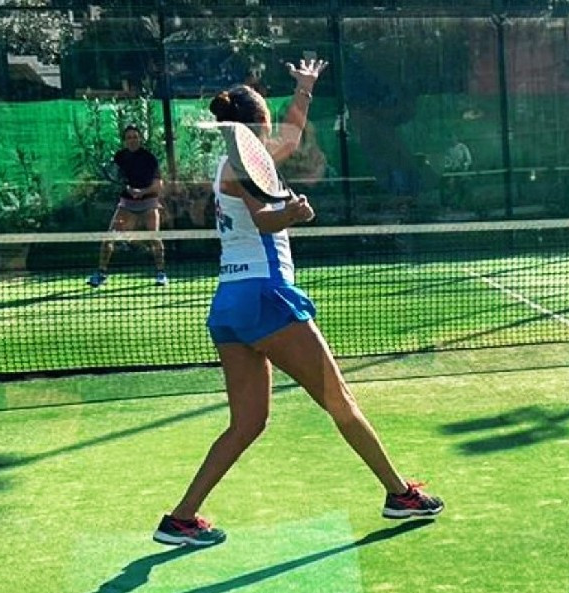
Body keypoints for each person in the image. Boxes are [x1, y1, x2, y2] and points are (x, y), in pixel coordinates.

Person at [152, 59, 444, 547]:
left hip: (230, 304)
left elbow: (289, 140)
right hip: (266, 297)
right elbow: (265, 220)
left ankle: (180, 518)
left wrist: (304, 89)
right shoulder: (243, 167)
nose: (275, 129)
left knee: (247, 423)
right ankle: (400, 494)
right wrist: (293, 212)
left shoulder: (238, 160)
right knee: (339, 400)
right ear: (256, 124)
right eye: (269, 118)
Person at [87, 124, 168, 287]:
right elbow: (117, 178)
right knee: (109, 237)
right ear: (124, 141)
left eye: (135, 137)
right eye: (129, 137)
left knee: (154, 237)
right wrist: (128, 189)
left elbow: (159, 184)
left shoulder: (149, 158)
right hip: (127, 204)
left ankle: (161, 273)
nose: (132, 140)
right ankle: (101, 273)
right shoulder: (119, 157)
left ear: (140, 139)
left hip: (149, 202)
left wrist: (142, 192)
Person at [441, 133, 472, 210]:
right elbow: (446, 160)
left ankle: (462, 204)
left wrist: (465, 166)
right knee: (452, 188)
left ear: (457, 138)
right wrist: (448, 166)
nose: (452, 140)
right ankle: (450, 204)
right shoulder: (448, 149)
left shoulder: (463, 147)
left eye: (453, 137)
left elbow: (468, 159)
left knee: (464, 187)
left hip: (462, 171)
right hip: (452, 172)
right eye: (450, 138)